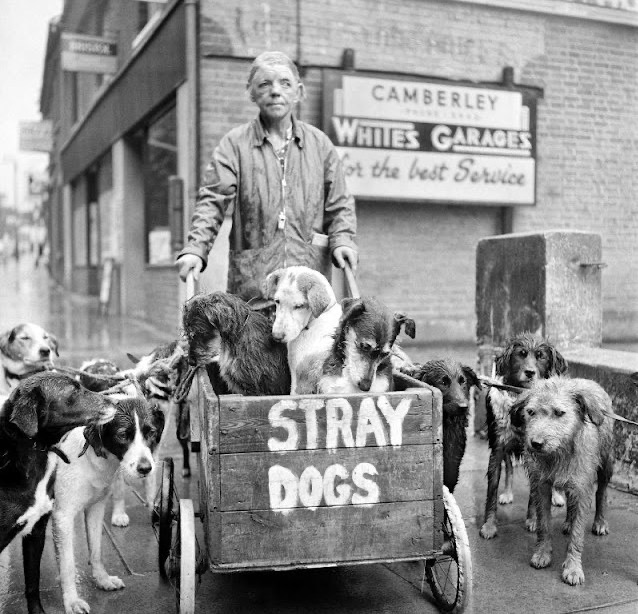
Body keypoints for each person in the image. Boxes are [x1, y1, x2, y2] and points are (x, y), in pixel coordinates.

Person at [176, 51, 357, 302]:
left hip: (306, 291)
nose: (275, 91)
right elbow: (211, 202)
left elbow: (339, 204)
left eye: (285, 83)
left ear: (299, 91)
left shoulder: (320, 145)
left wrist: (343, 240)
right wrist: (196, 249)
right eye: (264, 83)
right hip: (254, 290)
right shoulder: (235, 145)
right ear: (251, 92)